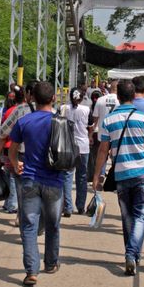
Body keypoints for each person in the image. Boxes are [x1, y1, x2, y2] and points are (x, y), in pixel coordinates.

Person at [93, 81, 144, 276]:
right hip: (143, 173)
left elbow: (103, 150)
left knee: (128, 217)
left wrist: (96, 176)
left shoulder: (109, 120)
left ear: (118, 97)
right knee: (142, 215)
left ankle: (132, 256)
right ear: (134, 95)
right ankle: (132, 254)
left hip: (122, 174)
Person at [9, 82, 64, 287]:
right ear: (53, 99)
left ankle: (32, 271)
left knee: (29, 226)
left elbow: (12, 149)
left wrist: (16, 165)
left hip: (30, 179)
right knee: (53, 224)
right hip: (55, 181)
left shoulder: (24, 121)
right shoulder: (60, 121)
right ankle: (51, 263)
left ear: (32, 98)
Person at [61, 88, 91, 216]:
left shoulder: (63, 108)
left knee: (67, 176)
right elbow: (90, 125)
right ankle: (81, 206)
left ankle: (67, 207)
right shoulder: (86, 110)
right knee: (82, 177)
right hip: (83, 146)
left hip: (68, 146)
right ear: (82, 97)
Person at [0, 85, 25, 214]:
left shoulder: (10, 112)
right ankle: (11, 203)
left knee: (10, 176)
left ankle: (11, 203)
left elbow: (2, 135)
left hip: (9, 148)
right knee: (13, 176)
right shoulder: (27, 111)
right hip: (20, 149)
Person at [91, 80, 119, 184]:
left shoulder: (100, 100)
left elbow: (95, 117)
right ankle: (114, 175)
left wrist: (93, 129)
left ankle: (102, 173)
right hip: (116, 132)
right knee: (115, 155)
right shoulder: (120, 100)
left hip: (103, 131)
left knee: (102, 153)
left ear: (109, 88)